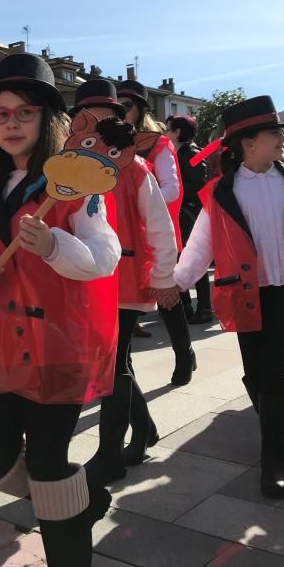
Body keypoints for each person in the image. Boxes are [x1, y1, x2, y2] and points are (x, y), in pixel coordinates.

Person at [0, 53, 119, 566]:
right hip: (6, 346)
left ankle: (68, 546)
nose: (11, 122)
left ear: (48, 119)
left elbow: (106, 258)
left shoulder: (76, 187)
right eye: (1, 114)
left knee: (49, 465)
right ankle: (83, 499)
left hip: (61, 345)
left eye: (23, 112)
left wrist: (54, 245)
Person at [170, 95, 284, 499]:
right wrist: (177, 282)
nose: (281, 139)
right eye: (274, 133)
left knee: (273, 374)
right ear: (248, 142)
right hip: (242, 292)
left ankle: (269, 462)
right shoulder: (222, 190)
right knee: (256, 375)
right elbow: (201, 242)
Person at [67, 80, 175, 486]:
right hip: (89, 274)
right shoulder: (68, 164)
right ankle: (142, 430)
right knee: (117, 360)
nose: (98, 125)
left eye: (107, 117)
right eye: (88, 118)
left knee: (114, 363)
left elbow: (160, 226)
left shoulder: (135, 166)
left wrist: (164, 276)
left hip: (126, 278)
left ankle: (110, 452)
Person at [117, 80, 196, 384]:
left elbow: (172, 190)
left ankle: (184, 353)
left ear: (140, 111)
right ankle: (123, 375)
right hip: (120, 238)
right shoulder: (102, 144)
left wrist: (137, 203)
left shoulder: (157, 143)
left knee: (167, 298)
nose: (120, 112)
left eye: (127, 106)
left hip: (154, 235)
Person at [166, 114, 213, 324]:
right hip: (179, 213)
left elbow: (199, 184)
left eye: (168, 128)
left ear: (177, 132)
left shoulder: (192, 153)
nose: (165, 132)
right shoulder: (173, 152)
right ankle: (184, 305)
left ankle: (204, 308)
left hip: (189, 213)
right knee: (177, 258)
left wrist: (177, 194)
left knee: (195, 259)